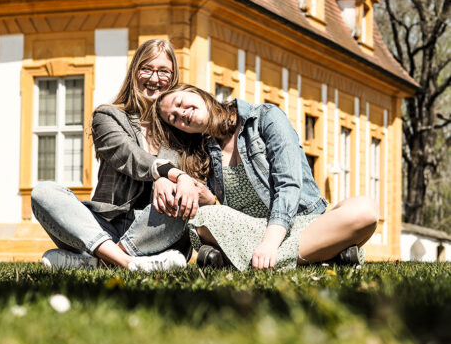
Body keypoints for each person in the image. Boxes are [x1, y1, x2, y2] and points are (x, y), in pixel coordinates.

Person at [150, 84, 379, 271]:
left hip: (298, 223)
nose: (182, 114)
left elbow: (288, 185)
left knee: (364, 210)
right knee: (203, 216)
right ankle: (325, 254)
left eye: (180, 103)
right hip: (248, 229)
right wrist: (206, 199)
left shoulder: (265, 118)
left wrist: (270, 243)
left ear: (195, 93)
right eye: (174, 118)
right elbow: (161, 164)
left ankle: (243, 259)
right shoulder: (201, 153)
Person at [31, 40, 200, 272]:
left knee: (182, 197)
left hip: (154, 229)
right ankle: (128, 263)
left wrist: (173, 182)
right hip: (104, 226)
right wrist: (164, 173)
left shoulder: (181, 129)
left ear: (173, 78)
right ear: (134, 72)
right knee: (44, 192)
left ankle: (99, 262)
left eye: (163, 72)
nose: (154, 78)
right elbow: (128, 156)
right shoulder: (108, 116)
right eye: (147, 69)